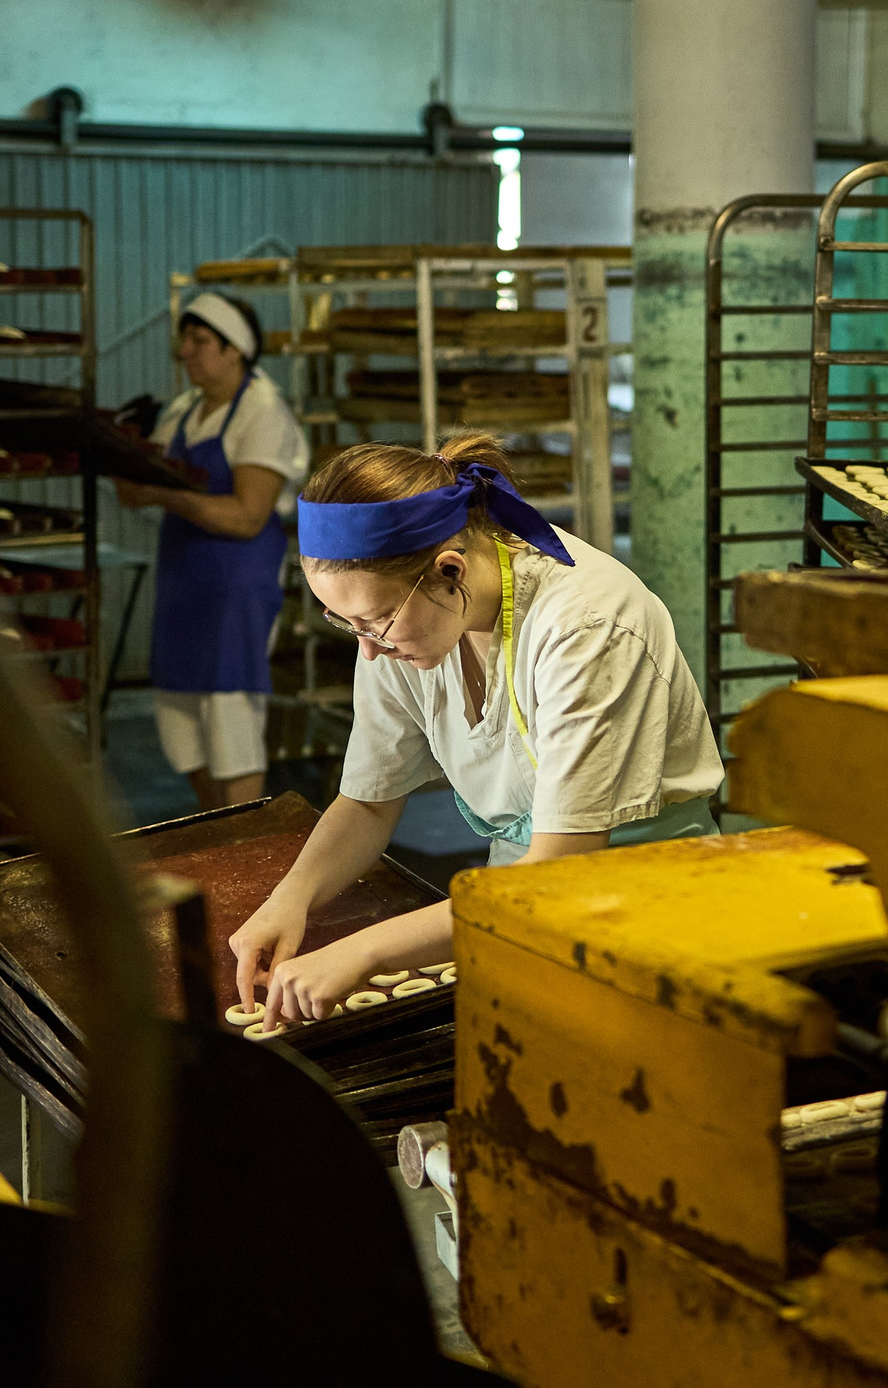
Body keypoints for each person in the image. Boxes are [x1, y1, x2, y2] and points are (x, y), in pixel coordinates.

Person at [228, 434, 722, 1024]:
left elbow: (557, 878)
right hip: (514, 912)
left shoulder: (588, 628)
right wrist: (290, 900)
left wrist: (365, 951)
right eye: (346, 622)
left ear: (450, 570)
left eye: (377, 621)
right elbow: (368, 803)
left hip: (651, 911)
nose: (369, 649)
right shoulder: (402, 626)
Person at [112, 293, 310, 809]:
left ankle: (245, 840)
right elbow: (135, 491)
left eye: (200, 342)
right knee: (178, 718)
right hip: (183, 579)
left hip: (236, 583)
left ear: (235, 350)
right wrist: (115, 448)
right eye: (185, 340)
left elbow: (248, 516)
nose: (186, 352)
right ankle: (220, 820)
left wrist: (164, 492)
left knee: (230, 717)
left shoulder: (262, 412)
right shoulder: (184, 410)